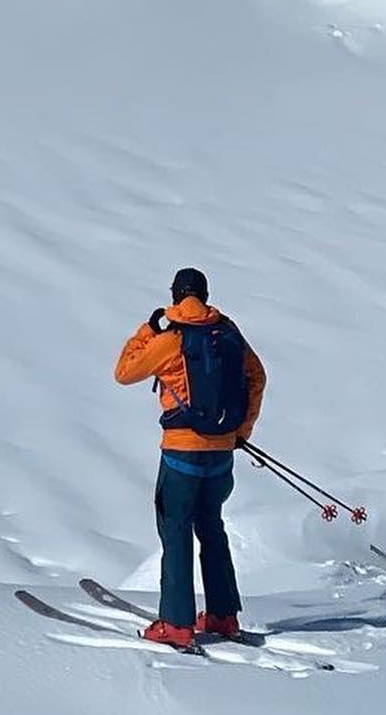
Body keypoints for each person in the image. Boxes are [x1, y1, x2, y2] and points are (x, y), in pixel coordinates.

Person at [114, 267, 266, 649]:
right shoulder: (228, 333)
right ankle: (223, 616)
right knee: (211, 526)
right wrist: (240, 432)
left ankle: (177, 624)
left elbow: (124, 372)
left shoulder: (172, 338)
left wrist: (148, 331)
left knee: (176, 530)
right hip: (221, 453)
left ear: (176, 296)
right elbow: (257, 377)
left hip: (182, 451)